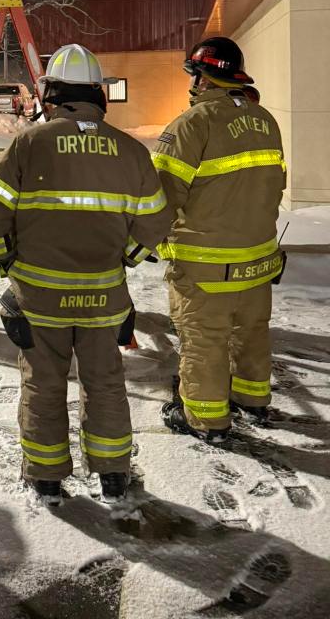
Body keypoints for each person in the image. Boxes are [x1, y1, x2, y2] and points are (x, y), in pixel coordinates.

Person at [0, 45, 173, 504]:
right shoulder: (130, 151)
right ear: (98, 96)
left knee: (43, 383)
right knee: (104, 382)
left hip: (40, 297)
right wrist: (127, 256)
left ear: (53, 95)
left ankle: (46, 476)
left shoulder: (30, 144)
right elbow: (156, 220)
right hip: (104, 296)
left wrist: (4, 257)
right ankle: (112, 474)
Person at [152, 38, 286, 444]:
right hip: (259, 259)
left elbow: (160, 196)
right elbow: (274, 187)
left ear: (200, 76)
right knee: (252, 330)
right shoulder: (266, 120)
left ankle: (207, 421)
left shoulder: (192, 124)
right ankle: (252, 400)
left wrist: (145, 240)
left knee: (205, 340)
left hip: (205, 263)